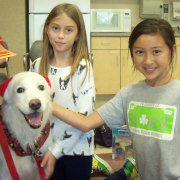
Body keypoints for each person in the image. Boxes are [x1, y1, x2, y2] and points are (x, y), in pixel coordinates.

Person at [41, 18, 180, 180]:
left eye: (157, 51)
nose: (148, 60)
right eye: (140, 52)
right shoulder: (129, 94)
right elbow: (86, 123)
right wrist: (46, 103)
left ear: (172, 51)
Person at [30, 3, 113, 180]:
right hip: (44, 149)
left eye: (68, 30)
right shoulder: (36, 66)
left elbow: (83, 120)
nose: (60, 35)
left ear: (78, 35)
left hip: (78, 151)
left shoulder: (83, 69)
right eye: (55, 28)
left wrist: (55, 151)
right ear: (47, 29)